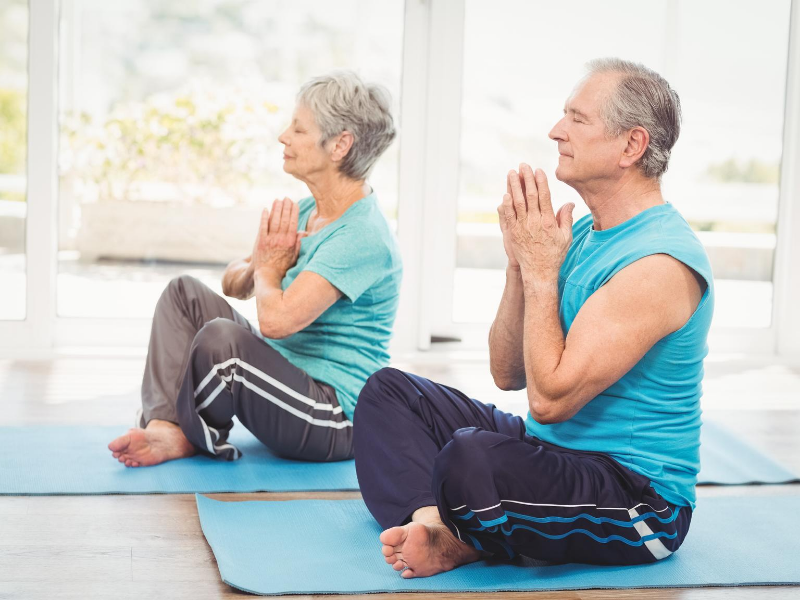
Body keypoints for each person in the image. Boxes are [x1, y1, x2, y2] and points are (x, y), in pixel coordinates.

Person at [354, 58, 713, 578]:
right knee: (388, 393)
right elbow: (508, 373)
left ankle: (465, 529)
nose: (556, 131)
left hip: (637, 500)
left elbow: (550, 400)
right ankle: (439, 525)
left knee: (470, 458)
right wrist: (521, 265)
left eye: (577, 118)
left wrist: (544, 269)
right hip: (553, 453)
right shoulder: (585, 235)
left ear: (631, 146)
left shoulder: (659, 264)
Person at [109, 71, 402, 466]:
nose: (284, 136)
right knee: (183, 294)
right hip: (285, 383)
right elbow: (236, 281)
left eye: (298, 129)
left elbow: (276, 322)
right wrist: (261, 266)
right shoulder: (305, 212)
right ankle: (166, 427)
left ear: (340, 145)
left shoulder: (362, 235)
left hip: (333, 418)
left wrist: (268, 271)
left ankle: (194, 435)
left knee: (222, 342)